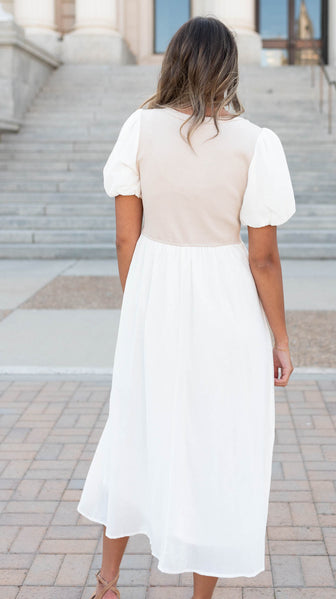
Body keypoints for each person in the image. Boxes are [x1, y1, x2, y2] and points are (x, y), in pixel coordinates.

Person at [77, 15, 295, 599]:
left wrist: (143, 303)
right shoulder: (256, 143)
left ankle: (107, 583)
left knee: (134, 428)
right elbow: (264, 258)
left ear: (173, 60)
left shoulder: (140, 129)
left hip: (155, 297)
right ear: (229, 67)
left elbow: (127, 238)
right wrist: (279, 337)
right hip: (226, 302)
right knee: (218, 443)